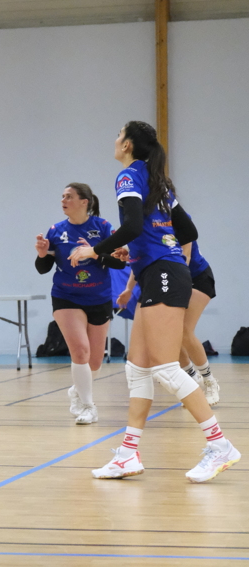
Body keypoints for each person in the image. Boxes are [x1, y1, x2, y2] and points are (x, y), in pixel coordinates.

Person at [71, 121, 239, 483]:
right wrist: (142, 248)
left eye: (118, 134)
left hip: (164, 273)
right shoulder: (158, 180)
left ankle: (220, 445)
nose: (115, 139)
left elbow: (132, 225)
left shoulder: (128, 176)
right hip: (157, 272)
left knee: (166, 368)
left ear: (128, 145)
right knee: (137, 369)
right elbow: (187, 231)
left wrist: (94, 250)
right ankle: (128, 455)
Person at [35, 184, 126, 424]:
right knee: (80, 351)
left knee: (94, 362)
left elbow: (119, 263)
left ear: (84, 201)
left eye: (69, 196)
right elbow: (43, 269)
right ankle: (88, 406)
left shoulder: (103, 227)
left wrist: (95, 253)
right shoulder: (56, 231)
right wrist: (43, 254)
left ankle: (77, 390)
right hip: (66, 296)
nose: (63, 200)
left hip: (99, 297)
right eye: (62, 196)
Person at [116, 236, 220, 406]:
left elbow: (185, 257)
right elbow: (140, 260)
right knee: (170, 336)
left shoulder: (176, 225)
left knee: (184, 331)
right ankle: (192, 378)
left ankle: (209, 381)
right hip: (168, 280)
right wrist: (129, 288)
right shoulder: (144, 231)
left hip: (195, 278)